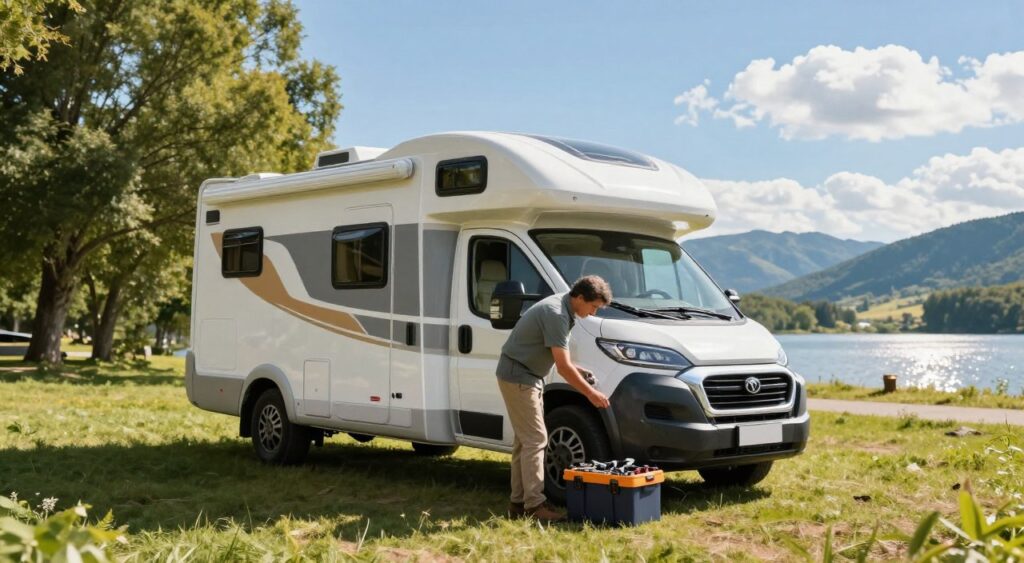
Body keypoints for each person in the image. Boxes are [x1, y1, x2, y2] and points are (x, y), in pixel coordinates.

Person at [495, 275, 612, 523]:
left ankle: (518, 504)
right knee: (536, 440)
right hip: (519, 376)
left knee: (524, 442)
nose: (592, 313)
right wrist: (591, 394)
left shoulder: (563, 308)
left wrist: (577, 370)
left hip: (526, 375)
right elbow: (562, 368)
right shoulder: (557, 314)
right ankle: (535, 506)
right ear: (580, 297)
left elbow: (563, 362)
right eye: (593, 307)